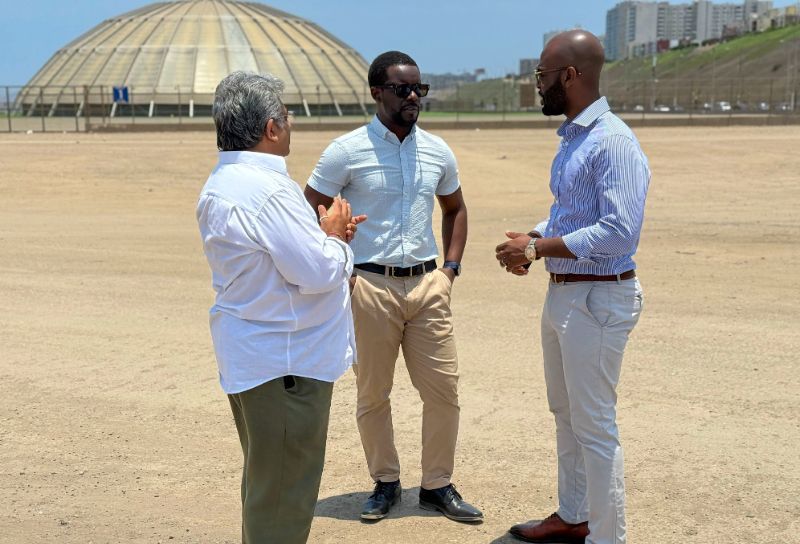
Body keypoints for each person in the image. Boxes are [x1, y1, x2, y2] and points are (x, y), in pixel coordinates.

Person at [304, 51, 482, 523]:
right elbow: (309, 207)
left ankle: (437, 486)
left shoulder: (438, 150)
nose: (413, 97)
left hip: (428, 286)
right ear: (376, 92)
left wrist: (451, 269)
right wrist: (335, 262)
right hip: (369, 287)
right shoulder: (346, 150)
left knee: (444, 390)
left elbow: (455, 208)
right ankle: (385, 483)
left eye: (419, 89)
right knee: (373, 394)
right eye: (402, 89)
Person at [494, 31, 650, 544]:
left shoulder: (614, 141)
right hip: (566, 293)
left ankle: (608, 538)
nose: (536, 84)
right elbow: (573, 215)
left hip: (598, 299)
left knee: (595, 427)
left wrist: (538, 250)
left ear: (571, 75)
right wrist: (536, 236)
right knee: (566, 415)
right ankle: (575, 515)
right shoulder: (575, 139)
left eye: (542, 75)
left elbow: (619, 232)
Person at [196, 71, 365, 544]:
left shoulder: (226, 181)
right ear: (271, 128)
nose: (291, 126)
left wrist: (326, 239)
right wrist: (332, 237)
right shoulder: (269, 191)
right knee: (284, 499)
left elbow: (281, 262)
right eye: (287, 118)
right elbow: (317, 273)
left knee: (268, 486)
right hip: (287, 367)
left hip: (259, 358)